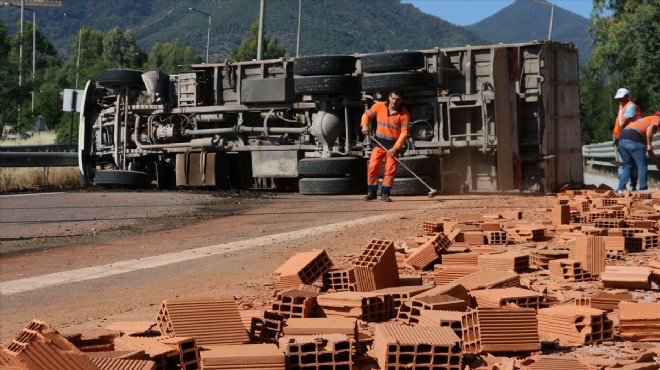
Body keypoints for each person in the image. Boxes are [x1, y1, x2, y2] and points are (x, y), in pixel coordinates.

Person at [360, 90, 410, 202]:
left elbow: (404, 133)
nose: (394, 101)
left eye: (397, 99)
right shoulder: (379, 106)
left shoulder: (404, 115)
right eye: (393, 98)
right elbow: (366, 115)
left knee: (389, 171)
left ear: (401, 100)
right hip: (378, 144)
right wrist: (364, 125)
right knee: (372, 166)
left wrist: (396, 148)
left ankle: (385, 194)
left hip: (393, 147)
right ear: (389, 97)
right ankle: (371, 193)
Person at [617, 111, 660, 193]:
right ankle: (643, 189)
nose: (657, 131)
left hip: (622, 140)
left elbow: (648, 150)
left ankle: (621, 188)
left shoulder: (643, 122)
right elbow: (650, 129)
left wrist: (656, 162)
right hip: (634, 138)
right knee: (642, 166)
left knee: (627, 165)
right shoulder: (657, 118)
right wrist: (649, 144)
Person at [612, 88, 641, 190]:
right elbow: (618, 125)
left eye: (621, 98)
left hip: (629, 138)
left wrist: (619, 138)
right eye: (618, 98)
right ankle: (622, 187)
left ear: (627, 97)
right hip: (621, 138)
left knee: (631, 164)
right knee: (622, 164)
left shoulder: (630, 106)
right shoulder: (623, 107)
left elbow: (622, 123)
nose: (619, 100)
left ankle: (632, 186)